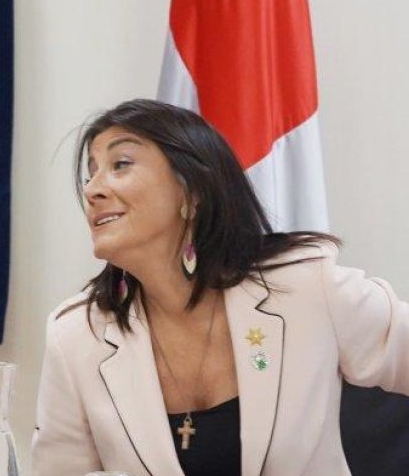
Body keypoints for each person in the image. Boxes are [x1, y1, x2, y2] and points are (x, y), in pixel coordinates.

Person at [31, 99, 409, 476]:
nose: (93, 189)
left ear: (193, 193)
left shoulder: (306, 287)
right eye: (91, 173)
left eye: (121, 164)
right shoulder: (76, 336)